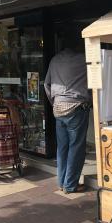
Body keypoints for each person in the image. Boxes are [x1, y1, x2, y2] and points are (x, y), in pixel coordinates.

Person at [44, 33, 91, 194]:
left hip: (58, 108)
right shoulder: (84, 60)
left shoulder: (55, 59)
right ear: (79, 45)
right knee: (76, 147)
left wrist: (54, 102)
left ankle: (61, 182)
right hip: (76, 107)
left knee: (62, 147)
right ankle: (70, 185)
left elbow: (47, 84)